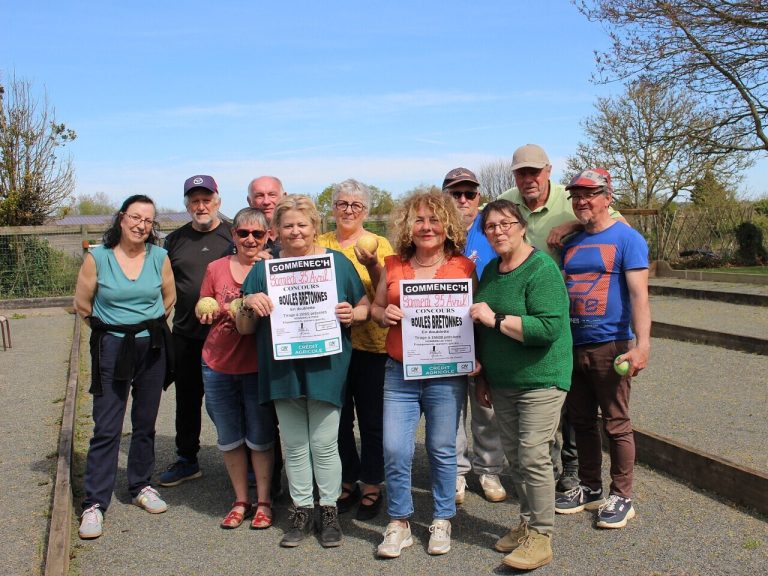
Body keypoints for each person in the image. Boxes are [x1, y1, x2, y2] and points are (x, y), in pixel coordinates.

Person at [237, 194, 369, 548]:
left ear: (314, 227)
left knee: (325, 444)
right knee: (294, 445)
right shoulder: (263, 269)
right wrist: (249, 302)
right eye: (288, 225)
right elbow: (244, 320)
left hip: (326, 364)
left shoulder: (336, 264)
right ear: (276, 230)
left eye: (302, 224)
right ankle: (300, 511)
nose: (295, 231)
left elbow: (364, 304)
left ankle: (328, 512)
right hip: (281, 366)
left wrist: (353, 314)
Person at [499, 145, 625, 492]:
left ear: (548, 170)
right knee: (536, 391)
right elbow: (485, 224)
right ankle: (543, 467)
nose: (528, 179)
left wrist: (574, 220)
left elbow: (616, 224)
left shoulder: (570, 200)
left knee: (568, 397)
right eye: (521, 172)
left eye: (534, 172)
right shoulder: (508, 201)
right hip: (522, 313)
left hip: (567, 311)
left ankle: (571, 467)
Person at [371, 189, 476, 558]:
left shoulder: (464, 267)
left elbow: (472, 320)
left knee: (442, 448)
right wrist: (383, 315)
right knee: (395, 447)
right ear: (407, 225)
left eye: (434, 219)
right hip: (400, 371)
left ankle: (442, 517)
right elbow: (376, 306)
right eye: (419, 219)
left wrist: (474, 357)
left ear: (447, 225)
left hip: (446, 373)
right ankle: (399, 522)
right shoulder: (393, 264)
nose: (426, 226)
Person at [469, 199, 573, 571]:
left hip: (541, 378)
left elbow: (548, 329)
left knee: (532, 454)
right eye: (490, 226)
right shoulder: (493, 270)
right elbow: (480, 330)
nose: (498, 231)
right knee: (515, 456)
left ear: (522, 226)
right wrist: (483, 375)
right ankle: (528, 523)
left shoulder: (541, 269)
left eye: (505, 223)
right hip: (503, 380)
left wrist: (496, 318)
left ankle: (542, 536)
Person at [74, 195, 176, 540]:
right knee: (106, 426)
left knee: (145, 423)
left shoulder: (159, 257)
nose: (141, 225)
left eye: (148, 220)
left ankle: (141, 485)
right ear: (121, 219)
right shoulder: (97, 258)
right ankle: (94, 503)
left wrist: (145, 327)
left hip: (151, 345)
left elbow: (168, 298)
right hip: (112, 347)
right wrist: (112, 332)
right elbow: (82, 304)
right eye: (135, 217)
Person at [555, 168, 650, 530]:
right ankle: (590, 487)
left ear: (608, 197)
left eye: (590, 194)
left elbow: (641, 297)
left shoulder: (628, 239)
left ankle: (622, 495)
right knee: (580, 422)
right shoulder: (571, 242)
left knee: (616, 424)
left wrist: (642, 346)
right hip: (573, 344)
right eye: (576, 195)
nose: (581, 201)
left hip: (610, 345)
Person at [317, 179, 395, 520]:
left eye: (356, 205)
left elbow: (390, 291)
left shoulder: (380, 244)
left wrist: (372, 263)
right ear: (332, 209)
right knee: (338, 418)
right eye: (342, 204)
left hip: (372, 346)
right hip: (330, 347)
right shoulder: (319, 244)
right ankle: (347, 477)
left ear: (365, 211)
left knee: (373, 418)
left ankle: (373, 481)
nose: (349, 210)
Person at [196, 207, 276, 530]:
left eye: (258, 234)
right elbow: (204, 303)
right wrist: (206, 311)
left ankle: (265, 500)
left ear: (268, 236)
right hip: (218, 363)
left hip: (258, 365)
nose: (250, 239)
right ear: (233, 236)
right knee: (229, 436)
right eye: (243, 233)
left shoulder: (273, 269)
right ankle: (241, 499)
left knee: (260, 435)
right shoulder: (215, 268)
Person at [160, 175, 233, 487]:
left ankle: (244, 460)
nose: (201, 206)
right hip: (187, 334)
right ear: (187, 204)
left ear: (217, 201)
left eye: (206, 199)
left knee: (229, 401)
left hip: (229, 335)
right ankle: (187, 458)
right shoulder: (174, 240)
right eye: (195, 201)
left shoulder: (235, 234)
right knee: (187, 399)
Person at [442, 167, 507, 505]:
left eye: (470, 194)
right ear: (445, 197)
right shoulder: (434, 229)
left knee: (485, 406)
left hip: (486, 329)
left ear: (479, 197)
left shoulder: (491, 226)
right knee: (451, 406)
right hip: (445, 332)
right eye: (456, 193)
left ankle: (490, 468)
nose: (463, 200)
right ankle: (455, 472)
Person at [247, 175, 285, 251]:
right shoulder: (241, 241)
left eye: (272, 195)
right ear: (249, 201)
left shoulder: (300, 236)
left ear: (284, 198)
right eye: (259, 196)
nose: (266, 202)